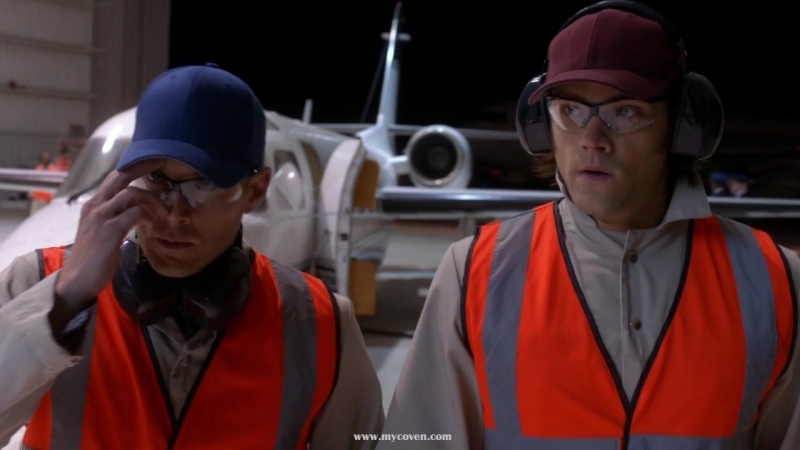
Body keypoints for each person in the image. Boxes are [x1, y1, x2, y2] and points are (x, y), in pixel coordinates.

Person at [379, 1, 800, 449]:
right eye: (570, 111)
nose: (591, 140)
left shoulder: (777, 285)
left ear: (682, 126)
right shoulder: (474, 275)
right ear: (541, 125)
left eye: (625, 112)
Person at [0, 64, 384, 449]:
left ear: (255, 190)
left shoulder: (319, 324)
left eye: (205, 185)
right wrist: (65, 299)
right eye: (156, 179)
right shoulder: (36, 282)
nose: (174, 215)